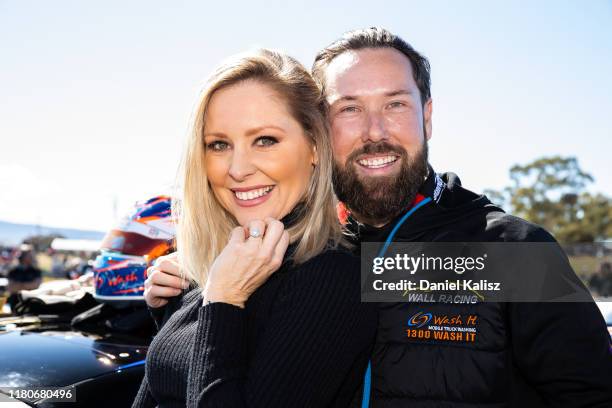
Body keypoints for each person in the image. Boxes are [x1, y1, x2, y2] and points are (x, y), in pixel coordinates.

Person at [150, 28, 612, 407]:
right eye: (349, 109)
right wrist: (182, 302)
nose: (375, 132)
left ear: (426, 118)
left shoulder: (513, 253)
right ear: (319, 131)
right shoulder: (293, 248)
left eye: (395, 105)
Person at [132, 49, 377, 408]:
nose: (238, 168)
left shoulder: (333, 281)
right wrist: (174, 310)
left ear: (313, 146)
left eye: (264, 140)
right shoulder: (230, 264)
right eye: (219, 144)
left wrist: (224, 299)